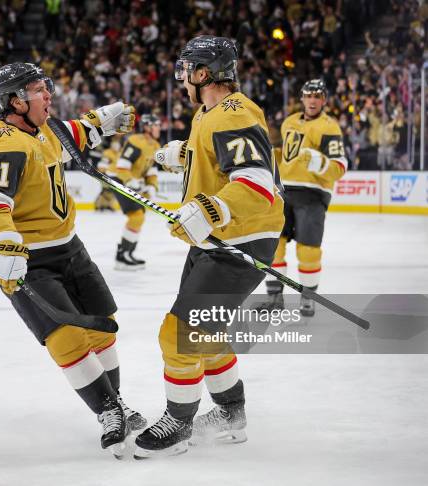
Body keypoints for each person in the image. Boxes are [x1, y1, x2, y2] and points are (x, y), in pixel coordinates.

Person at [0, 62, 145, 456]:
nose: (48, 94)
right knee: (65, 335)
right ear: (15, 101)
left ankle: (116, 403)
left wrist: (105, 119)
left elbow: (75, 133)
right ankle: (108, 411)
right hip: (27, 259)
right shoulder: (3, 143)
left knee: (103, 328)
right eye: (38, 89)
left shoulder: (43, 129)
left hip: (70, 248)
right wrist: (4, 242)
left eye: (46, 86)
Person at [134, 36, 284, 458]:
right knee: (207, 330)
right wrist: (186, 154)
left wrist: (212, 207)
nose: (182, 78)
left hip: (241, 242)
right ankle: (231, 415)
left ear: (203, 74)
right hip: (218, 240)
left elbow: (256, 183)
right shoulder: (209, 113)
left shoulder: (232, 114)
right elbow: (223, 160)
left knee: (180, 333)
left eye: (186, 70)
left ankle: (178, 423)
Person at [259, 79, 347, 316]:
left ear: (324, 100)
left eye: (317, 96)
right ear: (302, 98)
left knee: (308, 250)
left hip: (313, 194)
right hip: (284, 191)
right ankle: (275, 298)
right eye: (309, 95)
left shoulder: (329, 127)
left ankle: (308, 299)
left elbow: (339, 167)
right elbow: (285, 156)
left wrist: (319, 162)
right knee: (273, 246)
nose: (312, 100)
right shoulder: (289, 123)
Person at [107, 113, 161, 270]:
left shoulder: (156, 146)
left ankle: (126, 254)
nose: (159, 128)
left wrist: (152, 186)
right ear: (147, 127)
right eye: (156, 124)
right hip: (118, 179)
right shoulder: (136, 141)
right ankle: (122, 257)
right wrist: (131, 181)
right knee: (136, 216)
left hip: (130, 181)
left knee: (139, 217)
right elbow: (122, 166)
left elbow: (151, 170)